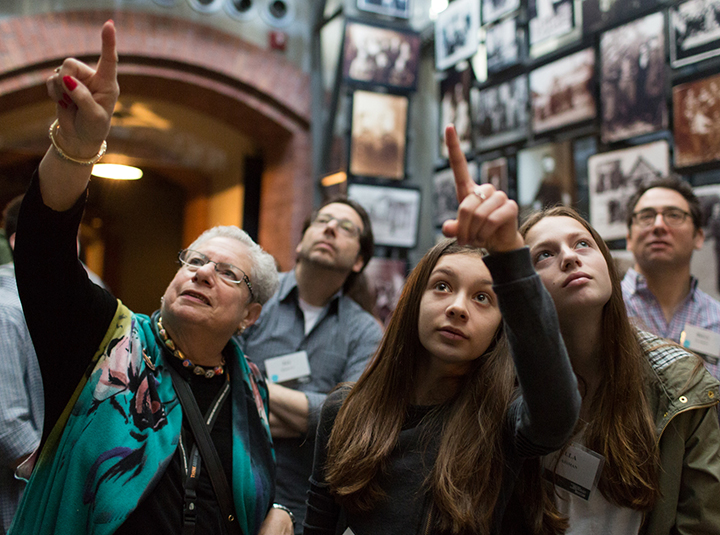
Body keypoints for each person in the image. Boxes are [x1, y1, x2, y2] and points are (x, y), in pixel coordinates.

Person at [9, 21, 293, 535]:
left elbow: (265, 487)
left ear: (251, 315)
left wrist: (280, 513)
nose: (203, 273)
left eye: (227, 272)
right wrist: (75, 151)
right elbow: (41, 252)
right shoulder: (104, 343)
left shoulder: (252, 389)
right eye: (194, 261)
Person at [303, 126, 581, 535]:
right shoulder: (345, 410)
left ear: (501, 327)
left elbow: (557, 414)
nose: (457, 307)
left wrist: (509, 253)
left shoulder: (502, 422)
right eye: (443, 286)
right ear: (415, 300)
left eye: (483, 298)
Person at [520, 205, 720, 534]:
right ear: (522, 287)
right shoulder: (505, 383)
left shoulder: (680, 383)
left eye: (582, 244)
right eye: (544, 254)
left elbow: (699, 524)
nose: (569, 257)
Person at [237, 195, 383, 532]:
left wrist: (253, 389)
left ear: (359, 260)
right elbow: (220, 389)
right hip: (231, 491)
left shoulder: (364, 331)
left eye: (346, 228)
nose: (330, 228)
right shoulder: (254, 298)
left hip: (309, 511)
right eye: (322, 220)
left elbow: (351, 419)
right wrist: (314, 419)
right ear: (301, 243)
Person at [622, 177, 720, 380]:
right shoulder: (603, 310)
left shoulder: (717, 320)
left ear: (699, 237)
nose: (658, 225)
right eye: (646, 216)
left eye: (674, 215)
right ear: (629, 238)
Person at [0, 196, 43, 533]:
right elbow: (9, 428)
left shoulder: (44, 298)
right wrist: (60, 479)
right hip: (24, 497)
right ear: (19, 242)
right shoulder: (6, 308)